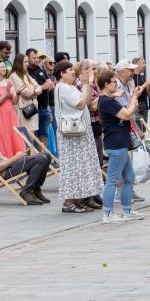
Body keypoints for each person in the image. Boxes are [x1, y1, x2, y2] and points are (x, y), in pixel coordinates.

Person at [97, 69, 150, 223]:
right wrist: (134, 97)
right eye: (114, 82)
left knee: (129, 177)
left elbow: (125, 111)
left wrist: (131, 97)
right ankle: (107, 214)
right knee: (112, 180)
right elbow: (127, 114)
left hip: (121, 143)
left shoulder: (109, 100)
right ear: (106, 84)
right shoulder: (107, 101)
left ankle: (127, 211)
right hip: (115, 145)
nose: (116, 84)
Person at [54, 60, 104, 213]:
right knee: (73, 167)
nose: (73, 72)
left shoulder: (68, 87)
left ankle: (78, 199)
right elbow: (81, 104)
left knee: (81, 165)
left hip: (79, 131)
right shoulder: (63, 88)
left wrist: (87, 84)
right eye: (69, 70)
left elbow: (87, 101)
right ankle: (69, 202)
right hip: (72, 133)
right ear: (62, 74)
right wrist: (86, 84)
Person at [0, 118, 50, 206]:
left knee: (46, 156)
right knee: (41, 158)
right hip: (6, 172)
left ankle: (36, 189)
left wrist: (19, 157)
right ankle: (27, 191)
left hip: (11, 166)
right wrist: (15, 158)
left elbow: (1, 162)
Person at [0, 59, 25, 158]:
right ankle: (2, 162)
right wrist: (7, 93)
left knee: (13, 136)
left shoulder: (8, 81)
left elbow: (14, 101)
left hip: (10, 114)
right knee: (0, 137)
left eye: (5, 66)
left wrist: (19, 93)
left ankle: (15, 163)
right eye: (2, 67)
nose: (4, 68)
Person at [9, 52, 42, 136]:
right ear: (19, 63)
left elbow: (39, 88)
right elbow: (25, 93)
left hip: (32, 109)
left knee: (32, 136)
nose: (27, 64)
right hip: (24, 111)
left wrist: (34, 91)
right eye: (25, 62)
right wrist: (35, 91)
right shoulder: (14, 76)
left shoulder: (26, 75)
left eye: (27, 61)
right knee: (26, 138)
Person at [27, 51, 55, 145]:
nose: (37, 60)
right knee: (32, 136)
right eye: (34, 58)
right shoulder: (26, 71)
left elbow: (50, 84)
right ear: (28, 58)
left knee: (44, 135)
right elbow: (32, 90)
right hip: (33, 108)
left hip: (45, 107)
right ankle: (35, 158)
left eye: (37, 57)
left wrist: (41, 87)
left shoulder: (40, 68)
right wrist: (43, 87)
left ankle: (43, 158)